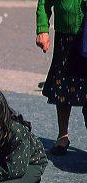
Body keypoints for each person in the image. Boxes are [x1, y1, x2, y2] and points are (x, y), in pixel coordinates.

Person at [36, 0, 87, 155]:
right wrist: (42, 29)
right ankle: (62, 135)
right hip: (65, 37)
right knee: (63, 87)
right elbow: (44, 3)